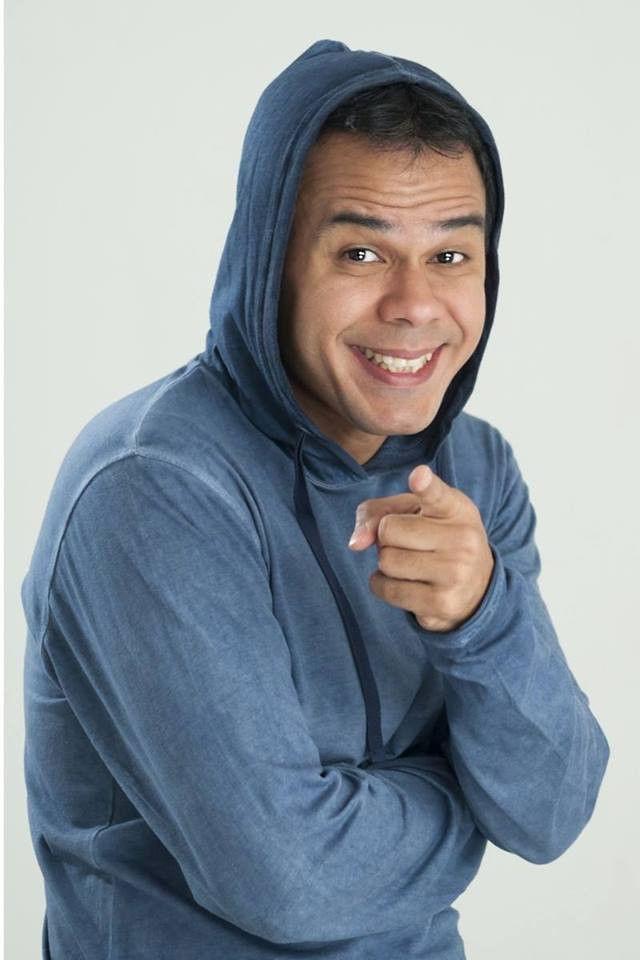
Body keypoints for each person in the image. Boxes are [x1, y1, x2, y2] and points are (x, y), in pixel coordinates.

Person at [21, 38, 610, 960]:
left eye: (451, 254)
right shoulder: (152, 488)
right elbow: (293, 880)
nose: (415, 304)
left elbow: (552, 811)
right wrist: (466, 800)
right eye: (362, 251)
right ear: (273, 260)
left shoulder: (474, 469)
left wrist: (482, 615)